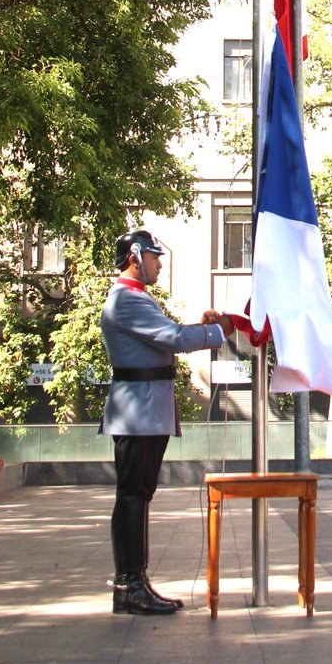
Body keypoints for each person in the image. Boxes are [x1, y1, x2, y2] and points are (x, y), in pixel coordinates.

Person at [101, 228, 233, 616]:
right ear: (135, 257)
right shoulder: (127, 299)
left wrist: (201, 328)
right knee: (133, 496)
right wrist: (218, 330)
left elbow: (167, 337)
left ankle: (135, 582)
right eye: (154, 257)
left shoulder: (136, 298)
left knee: (137, 495)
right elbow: (173, 338)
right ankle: (129, 585)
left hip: (144, 410)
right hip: (138, 412)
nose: (159, 264)